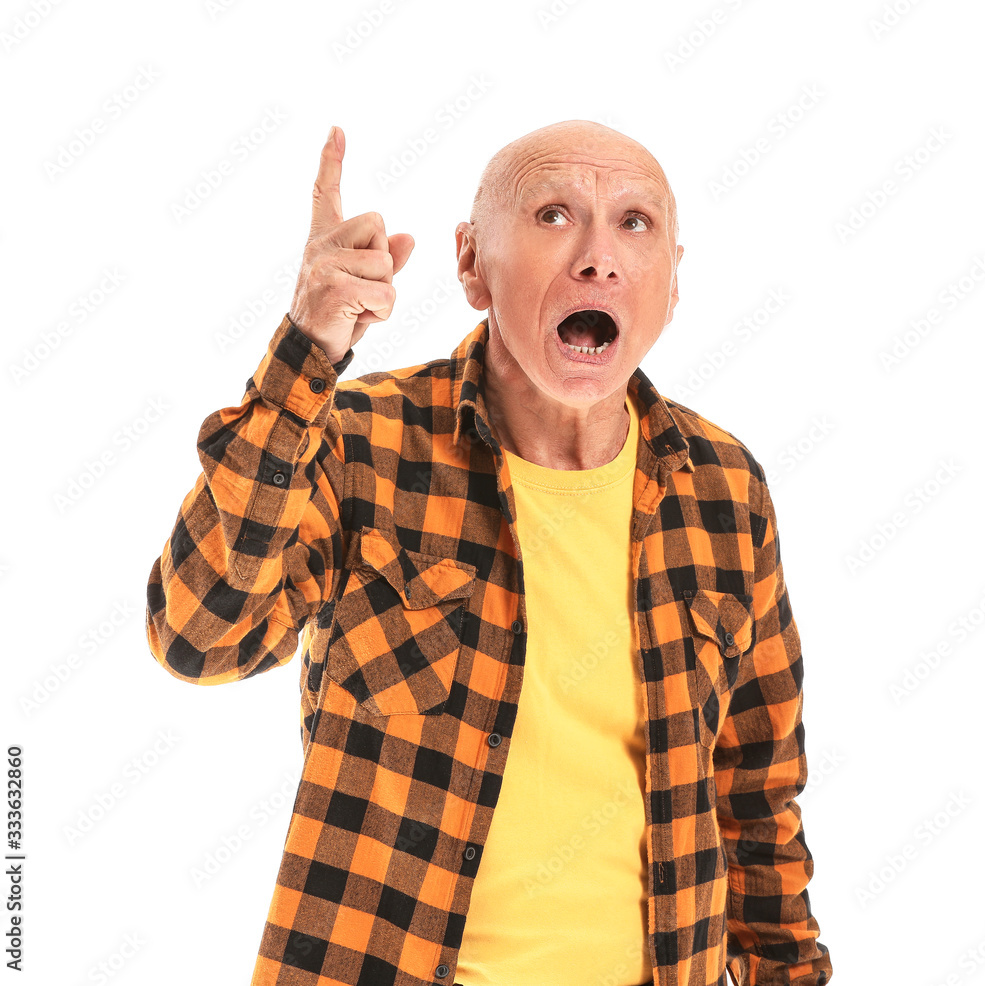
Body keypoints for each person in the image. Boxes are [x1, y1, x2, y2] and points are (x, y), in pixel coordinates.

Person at [145, 120, 832, 986]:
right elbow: (199, 635)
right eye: (553, 214)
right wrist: (307, 354)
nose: (598, 258)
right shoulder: (363, 444)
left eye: (634, 223)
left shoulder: (725, 490)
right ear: (471, 264)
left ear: (673, 283)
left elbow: (756, 803)